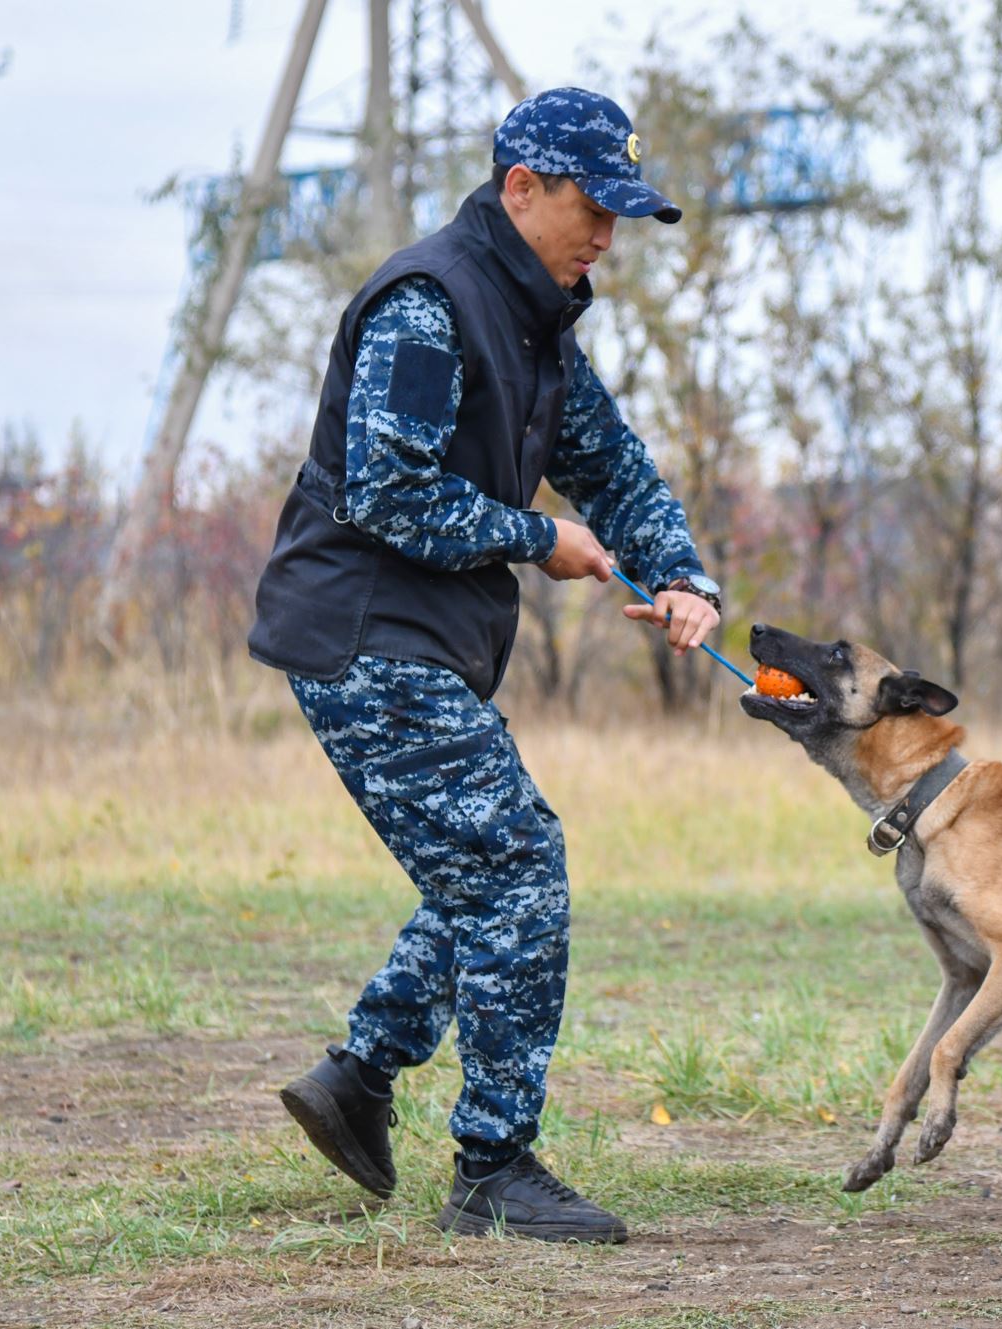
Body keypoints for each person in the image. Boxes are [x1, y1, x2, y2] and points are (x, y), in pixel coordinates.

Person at [246, 87, 723, 1244]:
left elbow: (609, 462)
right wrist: (536, 539)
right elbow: (386, 488)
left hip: (417, 641)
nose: (607, 236)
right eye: (592, 209)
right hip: (362, 633)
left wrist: (682, 577)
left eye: (622, 215)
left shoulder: (536, 317)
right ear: (521, 188)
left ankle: (360, 1076)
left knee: (484, 872)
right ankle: (492, 1170)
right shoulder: (431, 302)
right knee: (518, 866)